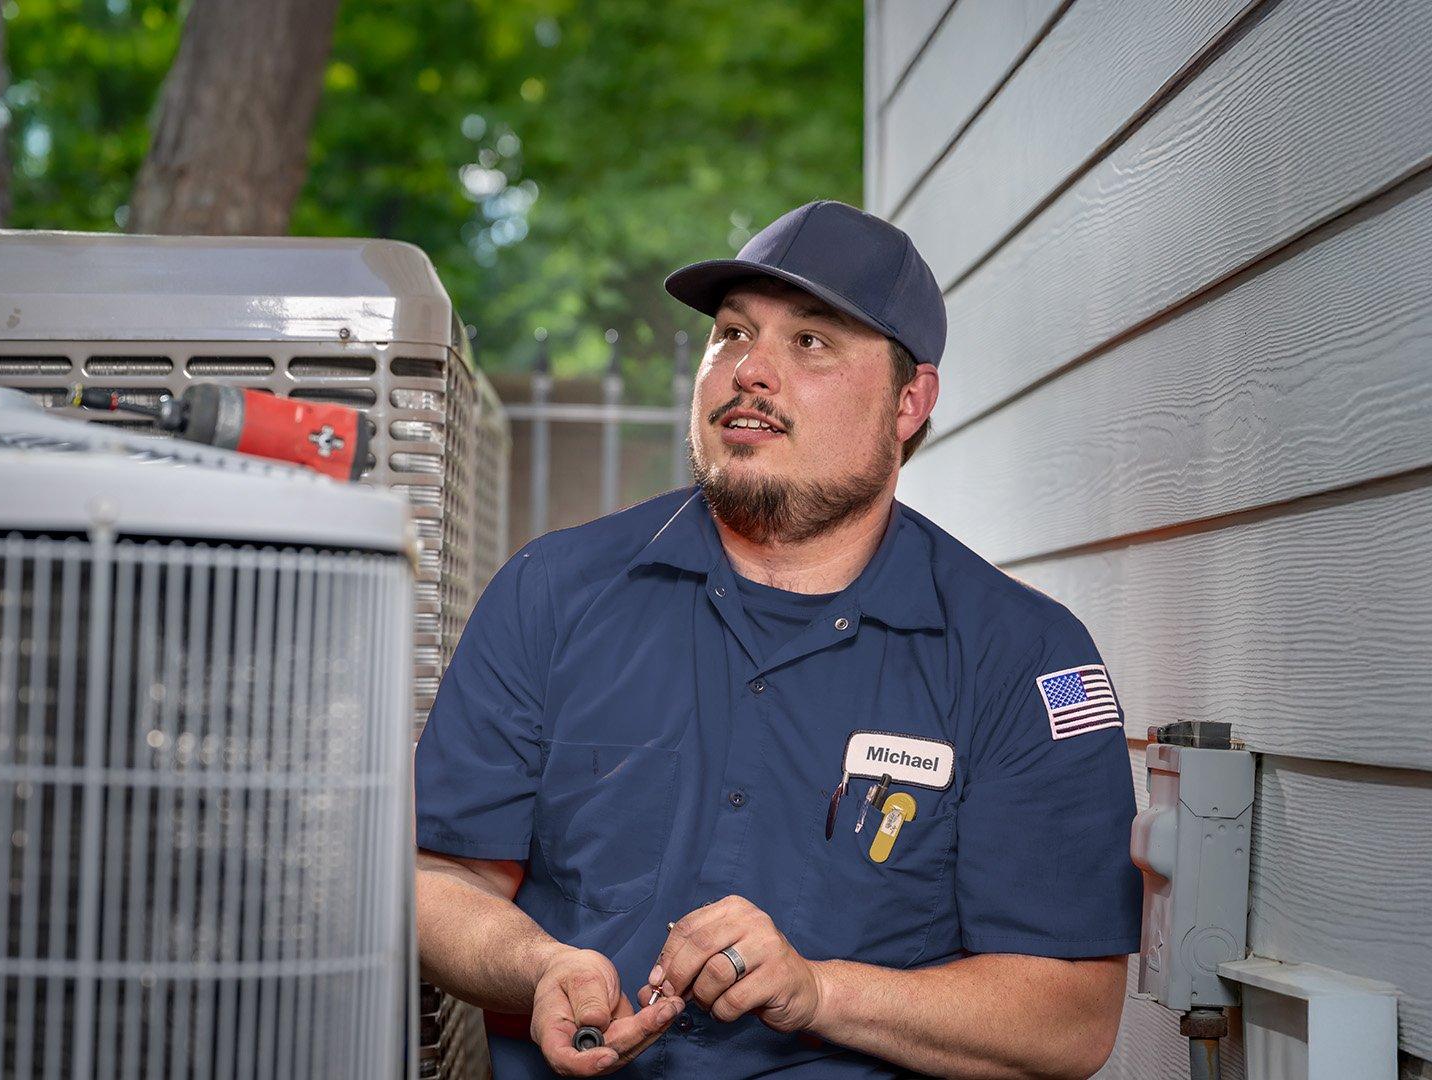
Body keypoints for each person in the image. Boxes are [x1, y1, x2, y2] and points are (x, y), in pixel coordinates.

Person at [412, 200, 1140, 1078]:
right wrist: (542, 965)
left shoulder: (1022, 657)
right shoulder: (553, 595)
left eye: (811, 342)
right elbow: (441, 883)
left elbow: (1070, 1020)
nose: (749, 369)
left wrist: (822, 993)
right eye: (731, 334)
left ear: (910, 401)